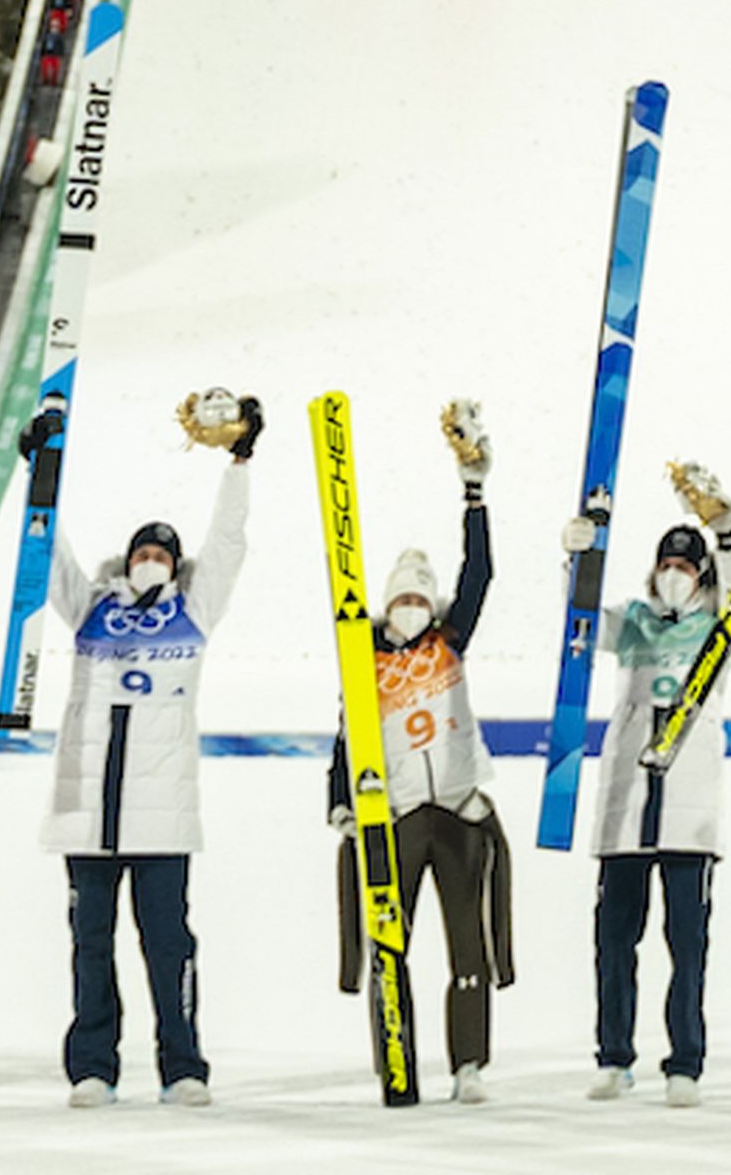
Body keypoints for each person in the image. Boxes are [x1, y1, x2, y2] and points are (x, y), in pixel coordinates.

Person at [35, 388, 259, 1107]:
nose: (151, 560)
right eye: (143, 551)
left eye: (162, 552)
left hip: (161, 816)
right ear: (126, 558)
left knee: (169, 947)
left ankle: (182, 1064)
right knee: (89, 947)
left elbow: (226, 545)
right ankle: (93, 1064)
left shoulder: (191, 611)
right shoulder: (92, 607)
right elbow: (47, 555)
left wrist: (240, 460)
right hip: (87, 812)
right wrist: (38, 471)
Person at [330, 407, 505, 1103]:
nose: (409, 607)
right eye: (400, 598)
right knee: (390, 948)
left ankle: (469, 1064)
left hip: (457, 811)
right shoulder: (364, 657)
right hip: (396, 814)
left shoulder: (448, 641)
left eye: (418, 598)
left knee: (469, 948)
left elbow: (482, 571)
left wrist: (474, 493)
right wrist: (342, 803)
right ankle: (394, 1060)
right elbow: (344, 735)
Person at [581, 468, 731, 1107]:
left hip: (688, 812)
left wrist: (726, 533)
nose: (674, 574)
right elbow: (581, 619)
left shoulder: (719, 630)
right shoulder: (634, 623)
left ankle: (686, 1061)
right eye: (667, 564)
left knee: (688, 944)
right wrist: (579, 554)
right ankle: (614, 1056)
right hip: (627, 806)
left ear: (702, 575)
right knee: (615, 940)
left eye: (688, 565)